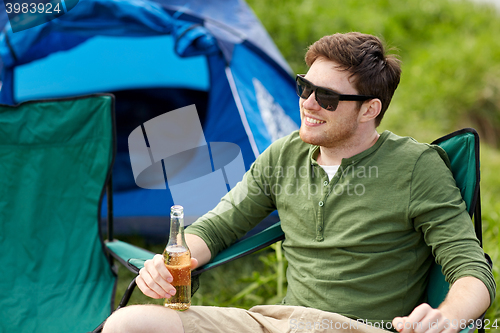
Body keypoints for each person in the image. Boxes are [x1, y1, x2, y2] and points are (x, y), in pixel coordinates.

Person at [102, 32, 495, 333]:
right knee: (128, 324)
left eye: (326, 97)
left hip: (358, 327)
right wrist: (172, 261)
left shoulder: (416, 168)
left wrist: (444, 318)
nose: (307, 103)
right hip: (276, 322)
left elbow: (472, 272)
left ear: (369, 110)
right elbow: (218, 226)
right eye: (304, 87)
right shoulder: (283, 155)